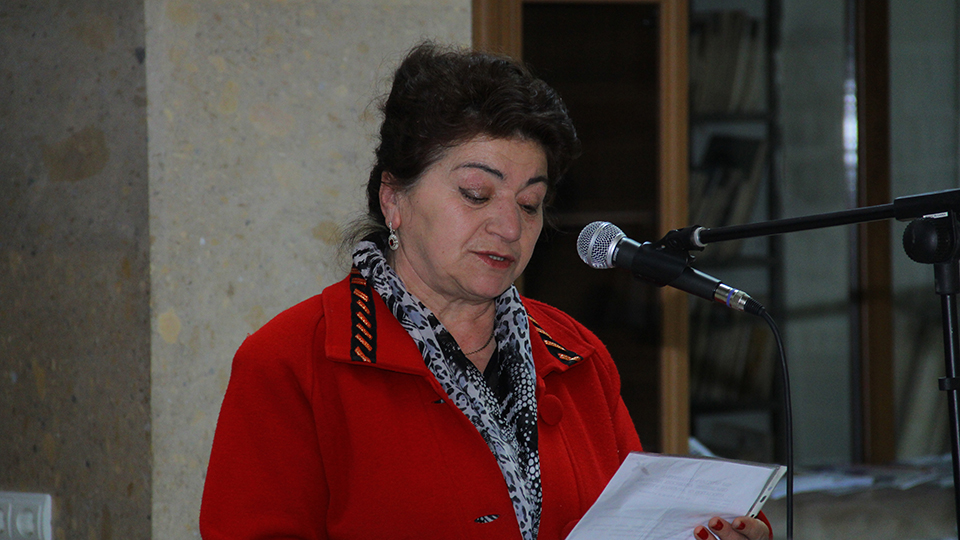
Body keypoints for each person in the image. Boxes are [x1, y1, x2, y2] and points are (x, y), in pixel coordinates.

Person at [199, 41, 773, 540]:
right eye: (476, 194)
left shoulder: (577, 356)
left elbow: (643, 520)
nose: (508, 227)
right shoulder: (291, 363)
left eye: (530, 203)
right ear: (393, 199)